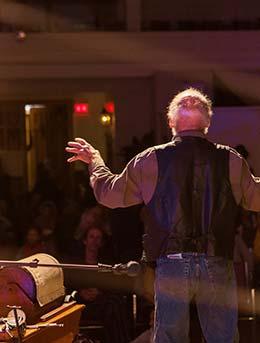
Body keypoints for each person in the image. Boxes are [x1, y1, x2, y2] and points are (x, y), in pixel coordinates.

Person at [66, 88, 260, 343]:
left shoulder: (151, 159)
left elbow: (110, 194)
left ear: (171, 123)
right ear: (207, 124)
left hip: (173, 263)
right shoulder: (231, 160)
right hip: (216, 260)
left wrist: (95, 161)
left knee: (170, 338)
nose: (190, 100)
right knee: (222, 338)